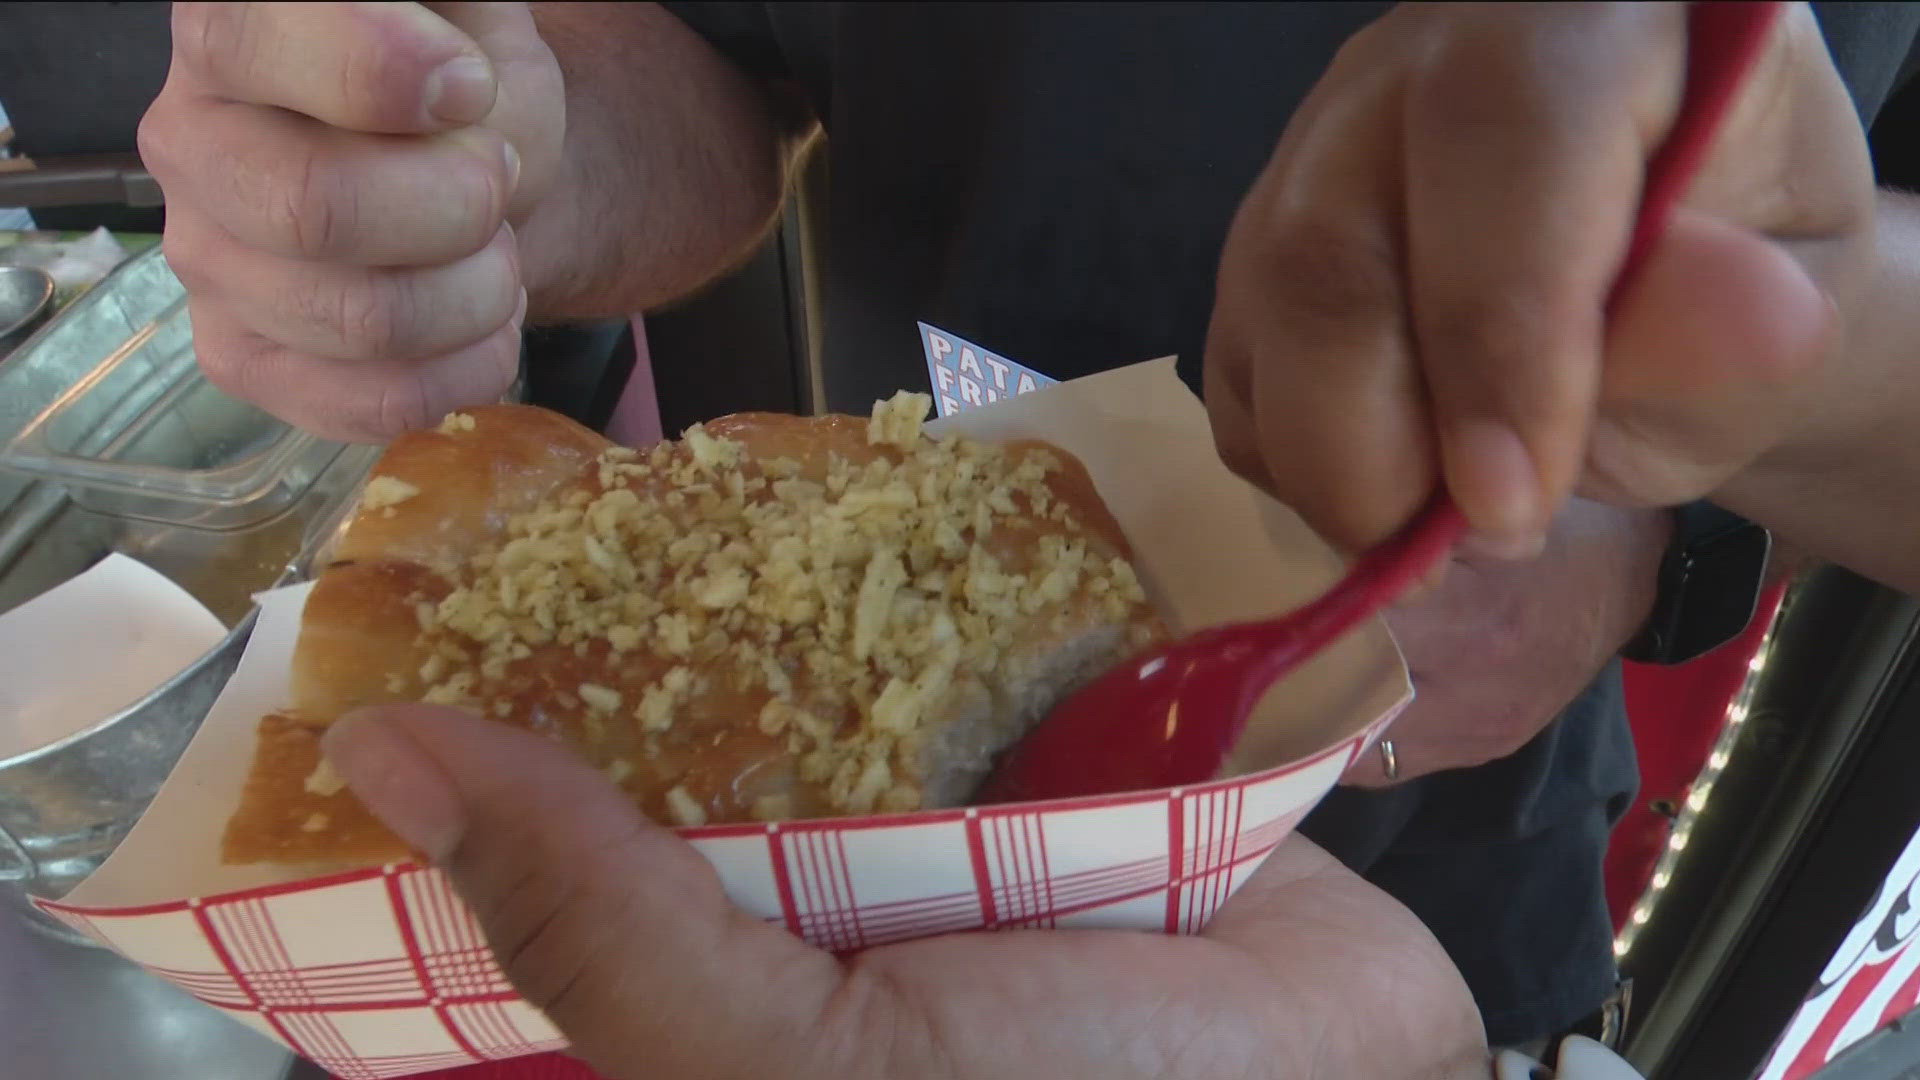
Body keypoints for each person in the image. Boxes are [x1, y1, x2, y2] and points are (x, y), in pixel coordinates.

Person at [134, 2, 1920, 1076]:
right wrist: (501, 157)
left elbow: (1833, 258)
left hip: (1421, 871)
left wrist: (1677, 477)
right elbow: (721, 58)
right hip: (804, 767)